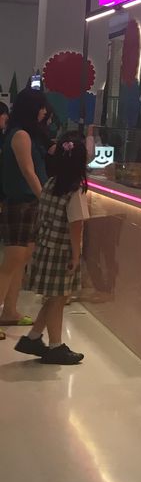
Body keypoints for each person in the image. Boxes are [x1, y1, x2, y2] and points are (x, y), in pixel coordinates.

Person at [14, 134, 88, 364]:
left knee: (55, 297)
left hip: (46, 246)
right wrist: (76, 255)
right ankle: (55, 346)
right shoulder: (75, 191)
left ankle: (34, 337)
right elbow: (76, 226)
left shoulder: (50, 183)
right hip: (62, 252)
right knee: (58, 300)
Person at [0, 89, 50, 337]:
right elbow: (28, 172)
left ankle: (10, 311)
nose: (44, 111)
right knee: (12, 262)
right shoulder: (20, 135)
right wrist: (45, 199)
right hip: (20, 204)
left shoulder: (23, 134)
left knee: (20, 260)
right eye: (41, 107)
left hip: (27, 204)